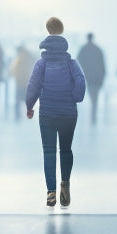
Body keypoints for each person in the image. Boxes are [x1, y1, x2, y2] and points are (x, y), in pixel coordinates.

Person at [26, 17, 86, 208]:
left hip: (48, 113)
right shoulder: (71, 63)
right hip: (68, 113)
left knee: (49, 151)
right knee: (66, 149)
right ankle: (65, 184)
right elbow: (80, 82)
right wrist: (75, 97)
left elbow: (33, 85)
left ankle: (51, 192)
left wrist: (30, 105)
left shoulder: (41, 64)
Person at [77, 33, 107, 124]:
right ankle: (93, 113)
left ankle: (92, 113)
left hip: (88, 76)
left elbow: (78, 61)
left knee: (91, 94)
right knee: (95, 97)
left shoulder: (83, 49)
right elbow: (103, 65)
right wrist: (103, 76)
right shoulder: (98, 50)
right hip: (97, 77)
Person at [9, 44, 36, 120]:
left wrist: (14, 74)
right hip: (28, 81)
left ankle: (17, 115)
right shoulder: (29, 55)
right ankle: (29, 114)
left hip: (20, 81)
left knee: (18, 100)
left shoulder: (20, 57)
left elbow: (14, 69)